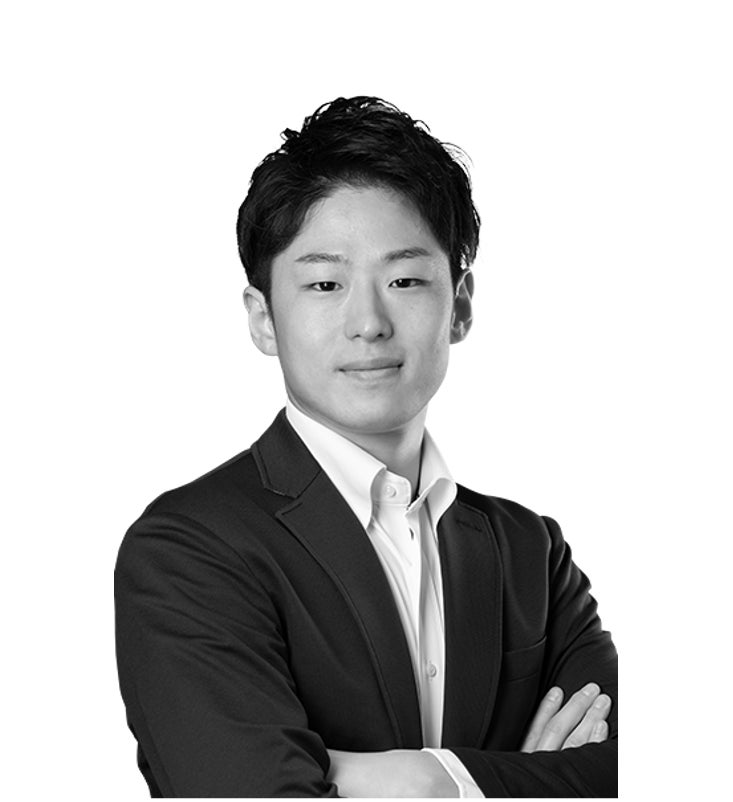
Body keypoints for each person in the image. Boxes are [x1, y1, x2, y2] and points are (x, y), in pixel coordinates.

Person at [114, 96, 617, 797]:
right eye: (325, 283)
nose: (369, 322)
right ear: (263, 319)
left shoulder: (530, 553)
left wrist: (431, 779)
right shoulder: (188, 548)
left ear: (460, 304)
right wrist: (527, 779)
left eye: (404, 280)